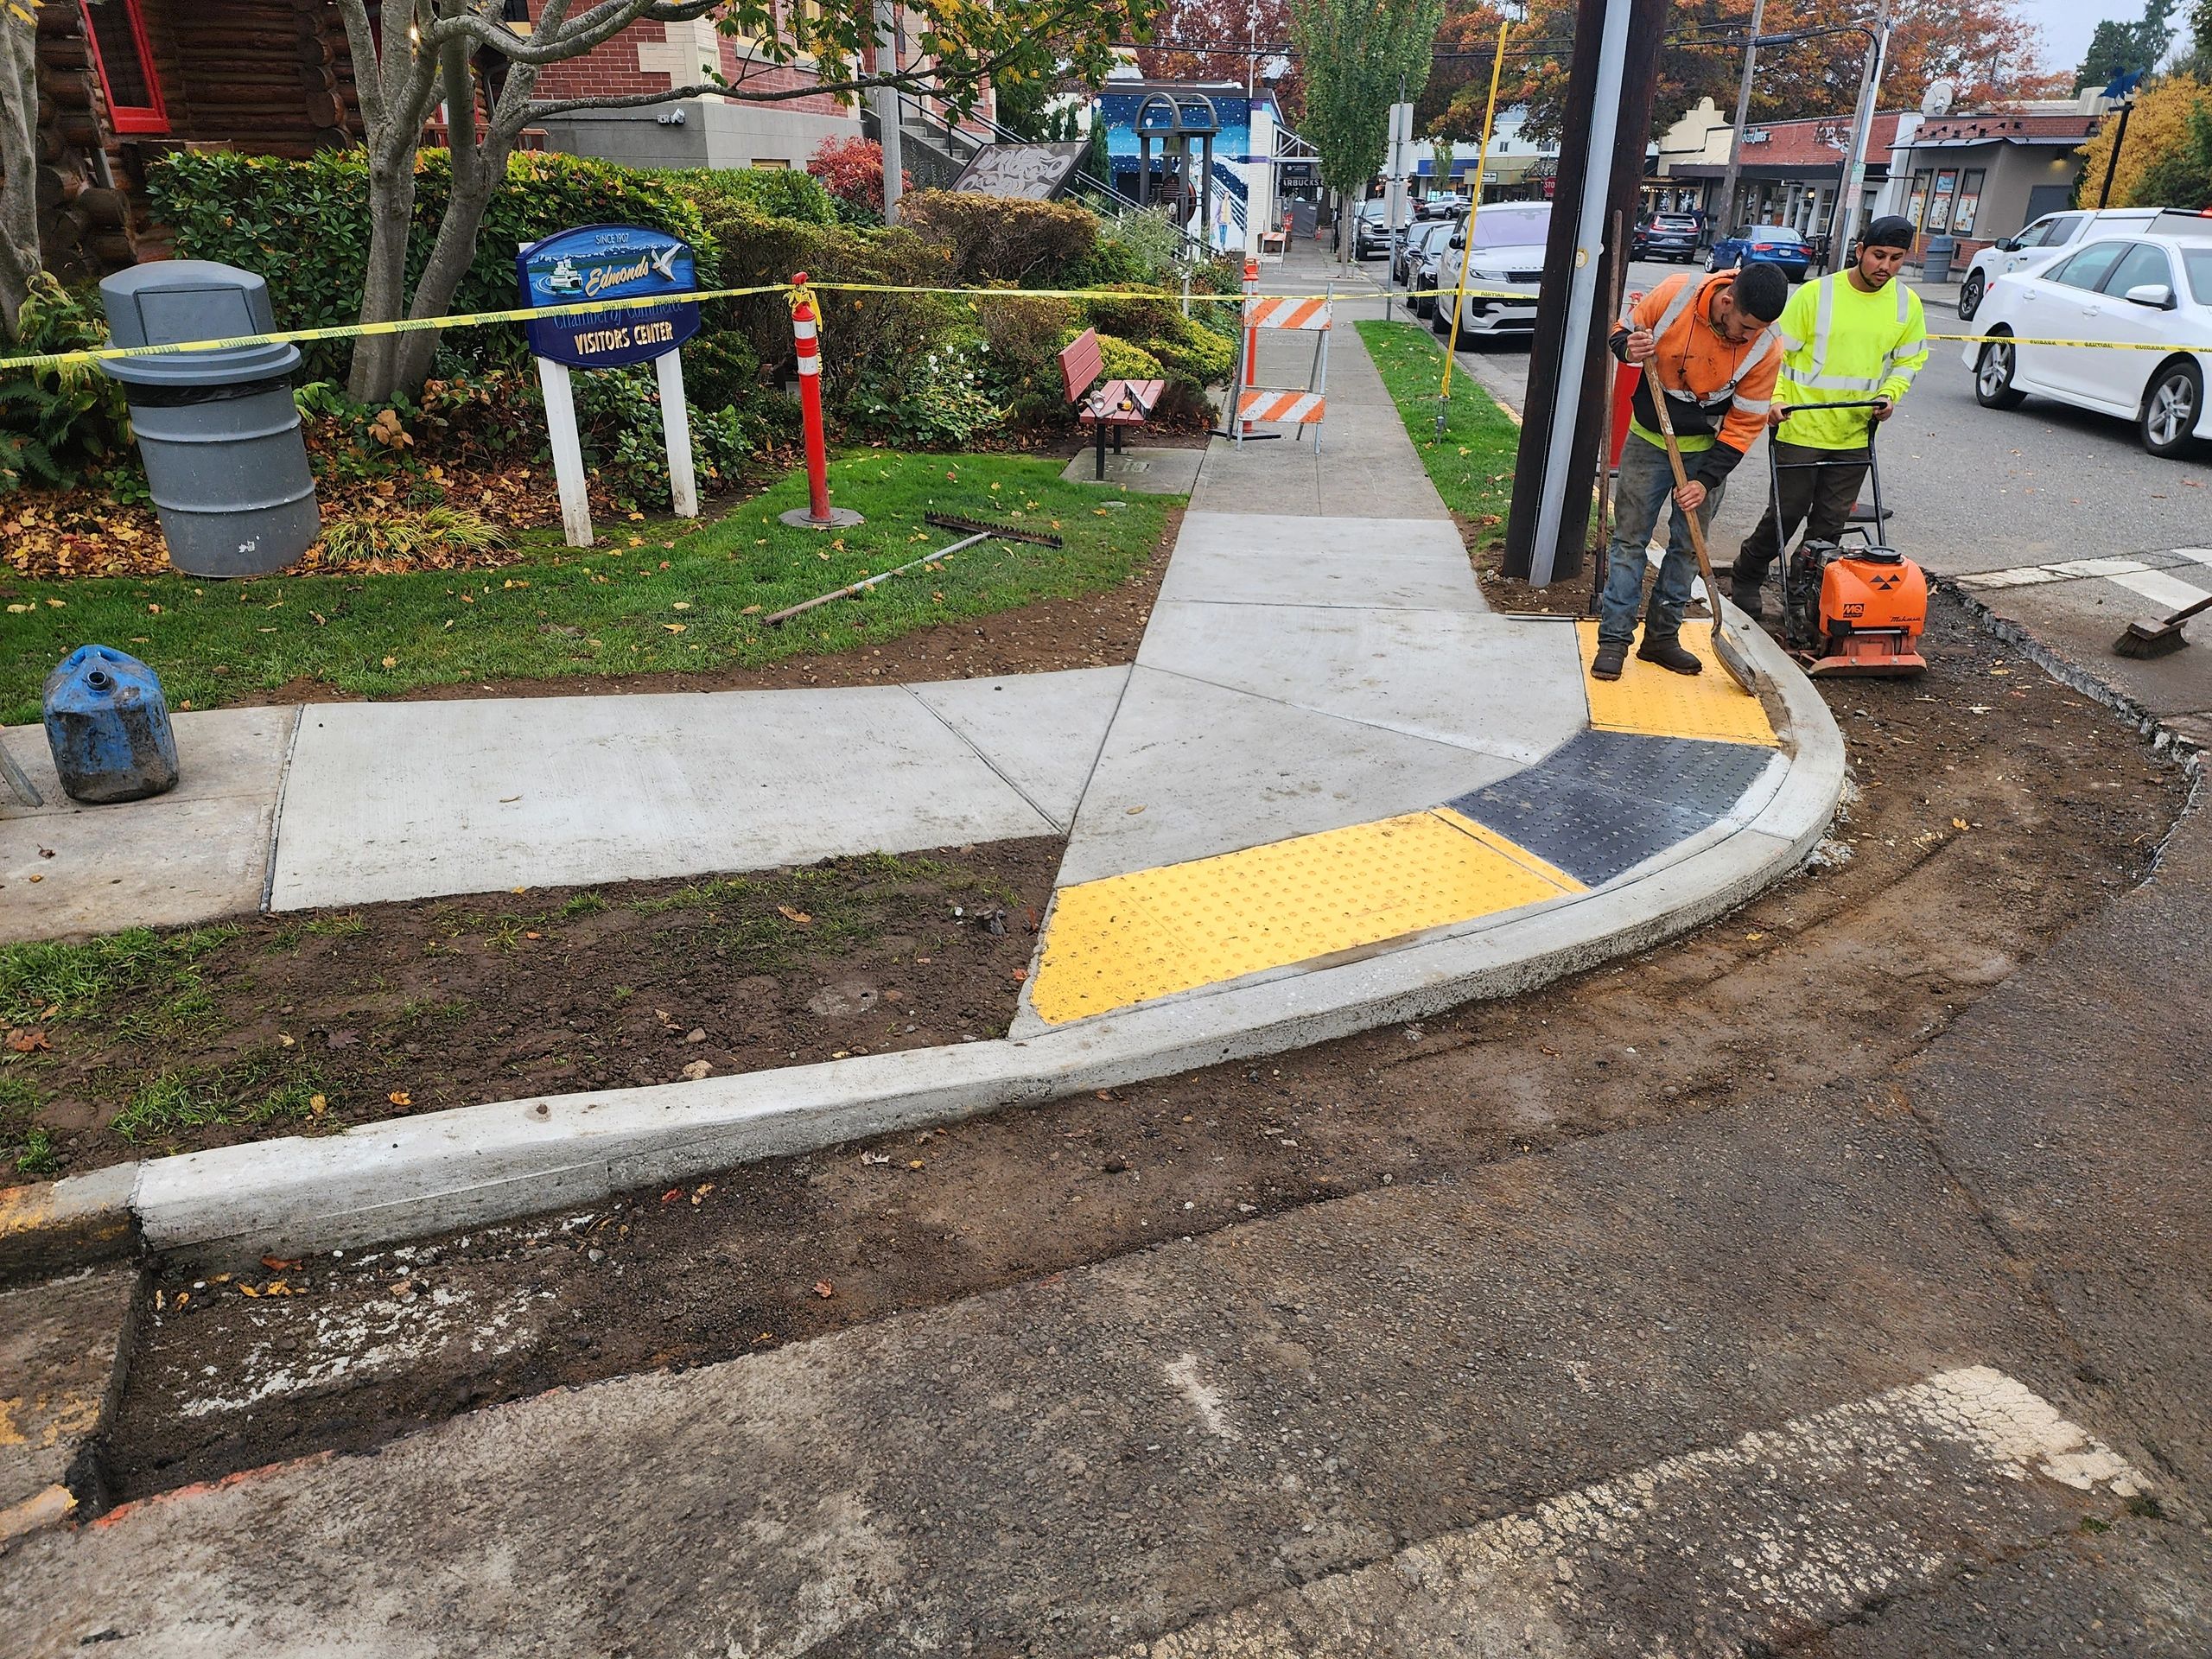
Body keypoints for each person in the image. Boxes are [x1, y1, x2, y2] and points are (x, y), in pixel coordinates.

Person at [1592, 260, 1791, 681]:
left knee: (1687, 548)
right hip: (1649, 439)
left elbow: (1745, 424)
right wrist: (1629, 348)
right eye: (1744, 325)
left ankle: (1662, 639)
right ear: (1726, 300)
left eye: (1757, 330)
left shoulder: (1766, 347)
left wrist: (1706, 481)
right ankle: (1614, 640)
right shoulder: (1676, 293)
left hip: (1706, 449)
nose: (1747, 336)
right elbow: (1621, 331)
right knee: (1630, 540)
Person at [1730, 215, 1929, 622]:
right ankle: (1748, 573)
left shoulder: (1907, 305)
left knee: (1829, 525)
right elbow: (1777, 354)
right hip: (1800, 425)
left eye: (1895, 258)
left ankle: (1805, 595)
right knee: (1787, 512)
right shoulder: (1818, 296)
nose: (1885, 266)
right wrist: (1777, 400)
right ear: (1859, 252)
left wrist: (1890, 397)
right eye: (1877, 255)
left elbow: (1910, 360)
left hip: (1855, 432)